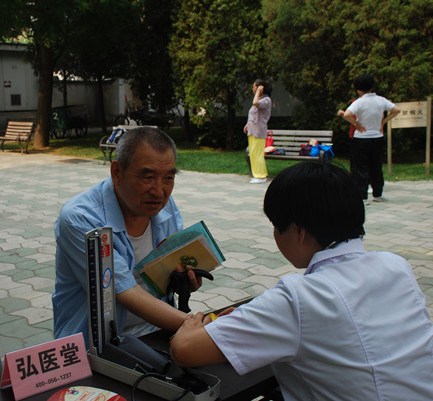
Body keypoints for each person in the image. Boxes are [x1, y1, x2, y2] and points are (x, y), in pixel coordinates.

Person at [170, 161, 433, 401]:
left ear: (299, 232)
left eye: (275, 225)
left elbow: (185, 350)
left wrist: (196, 324)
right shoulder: (395, 265)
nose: (274, 234)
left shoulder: (300, 297)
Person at [52, 127, 201, 344]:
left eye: (168, 178)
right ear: (116, 173)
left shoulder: (165, 209)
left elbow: (165, 277)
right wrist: (201, 326)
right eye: (148, 177)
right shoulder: (79, 218)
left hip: (157, 331)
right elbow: (125, 293)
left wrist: (183, 281)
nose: (159, 191)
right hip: (96, 346)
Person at [340, 73, 400, 202]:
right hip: (377, 137)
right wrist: (383, 122)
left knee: (360, 167)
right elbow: (396, 110)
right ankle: (378, 193)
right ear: (372, 86)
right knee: (376, 165)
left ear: (358, 89)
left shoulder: (360, 101)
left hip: (361, 138)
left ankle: (362, 195)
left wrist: (356, 124)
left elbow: (346, 114)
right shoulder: (381, 100)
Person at [244, 79, 272, 184]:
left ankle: (261, 176)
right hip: (252, 130)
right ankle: (258, 174)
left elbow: (255, 103)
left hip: (259, 131)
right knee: (253, 153)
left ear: (260, 88)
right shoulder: (260, 99)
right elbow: (254, 113)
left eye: (254, 87)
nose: (253, 89)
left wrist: (259, 92)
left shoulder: (266, 100)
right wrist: (248, 124)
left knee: (257, 153)